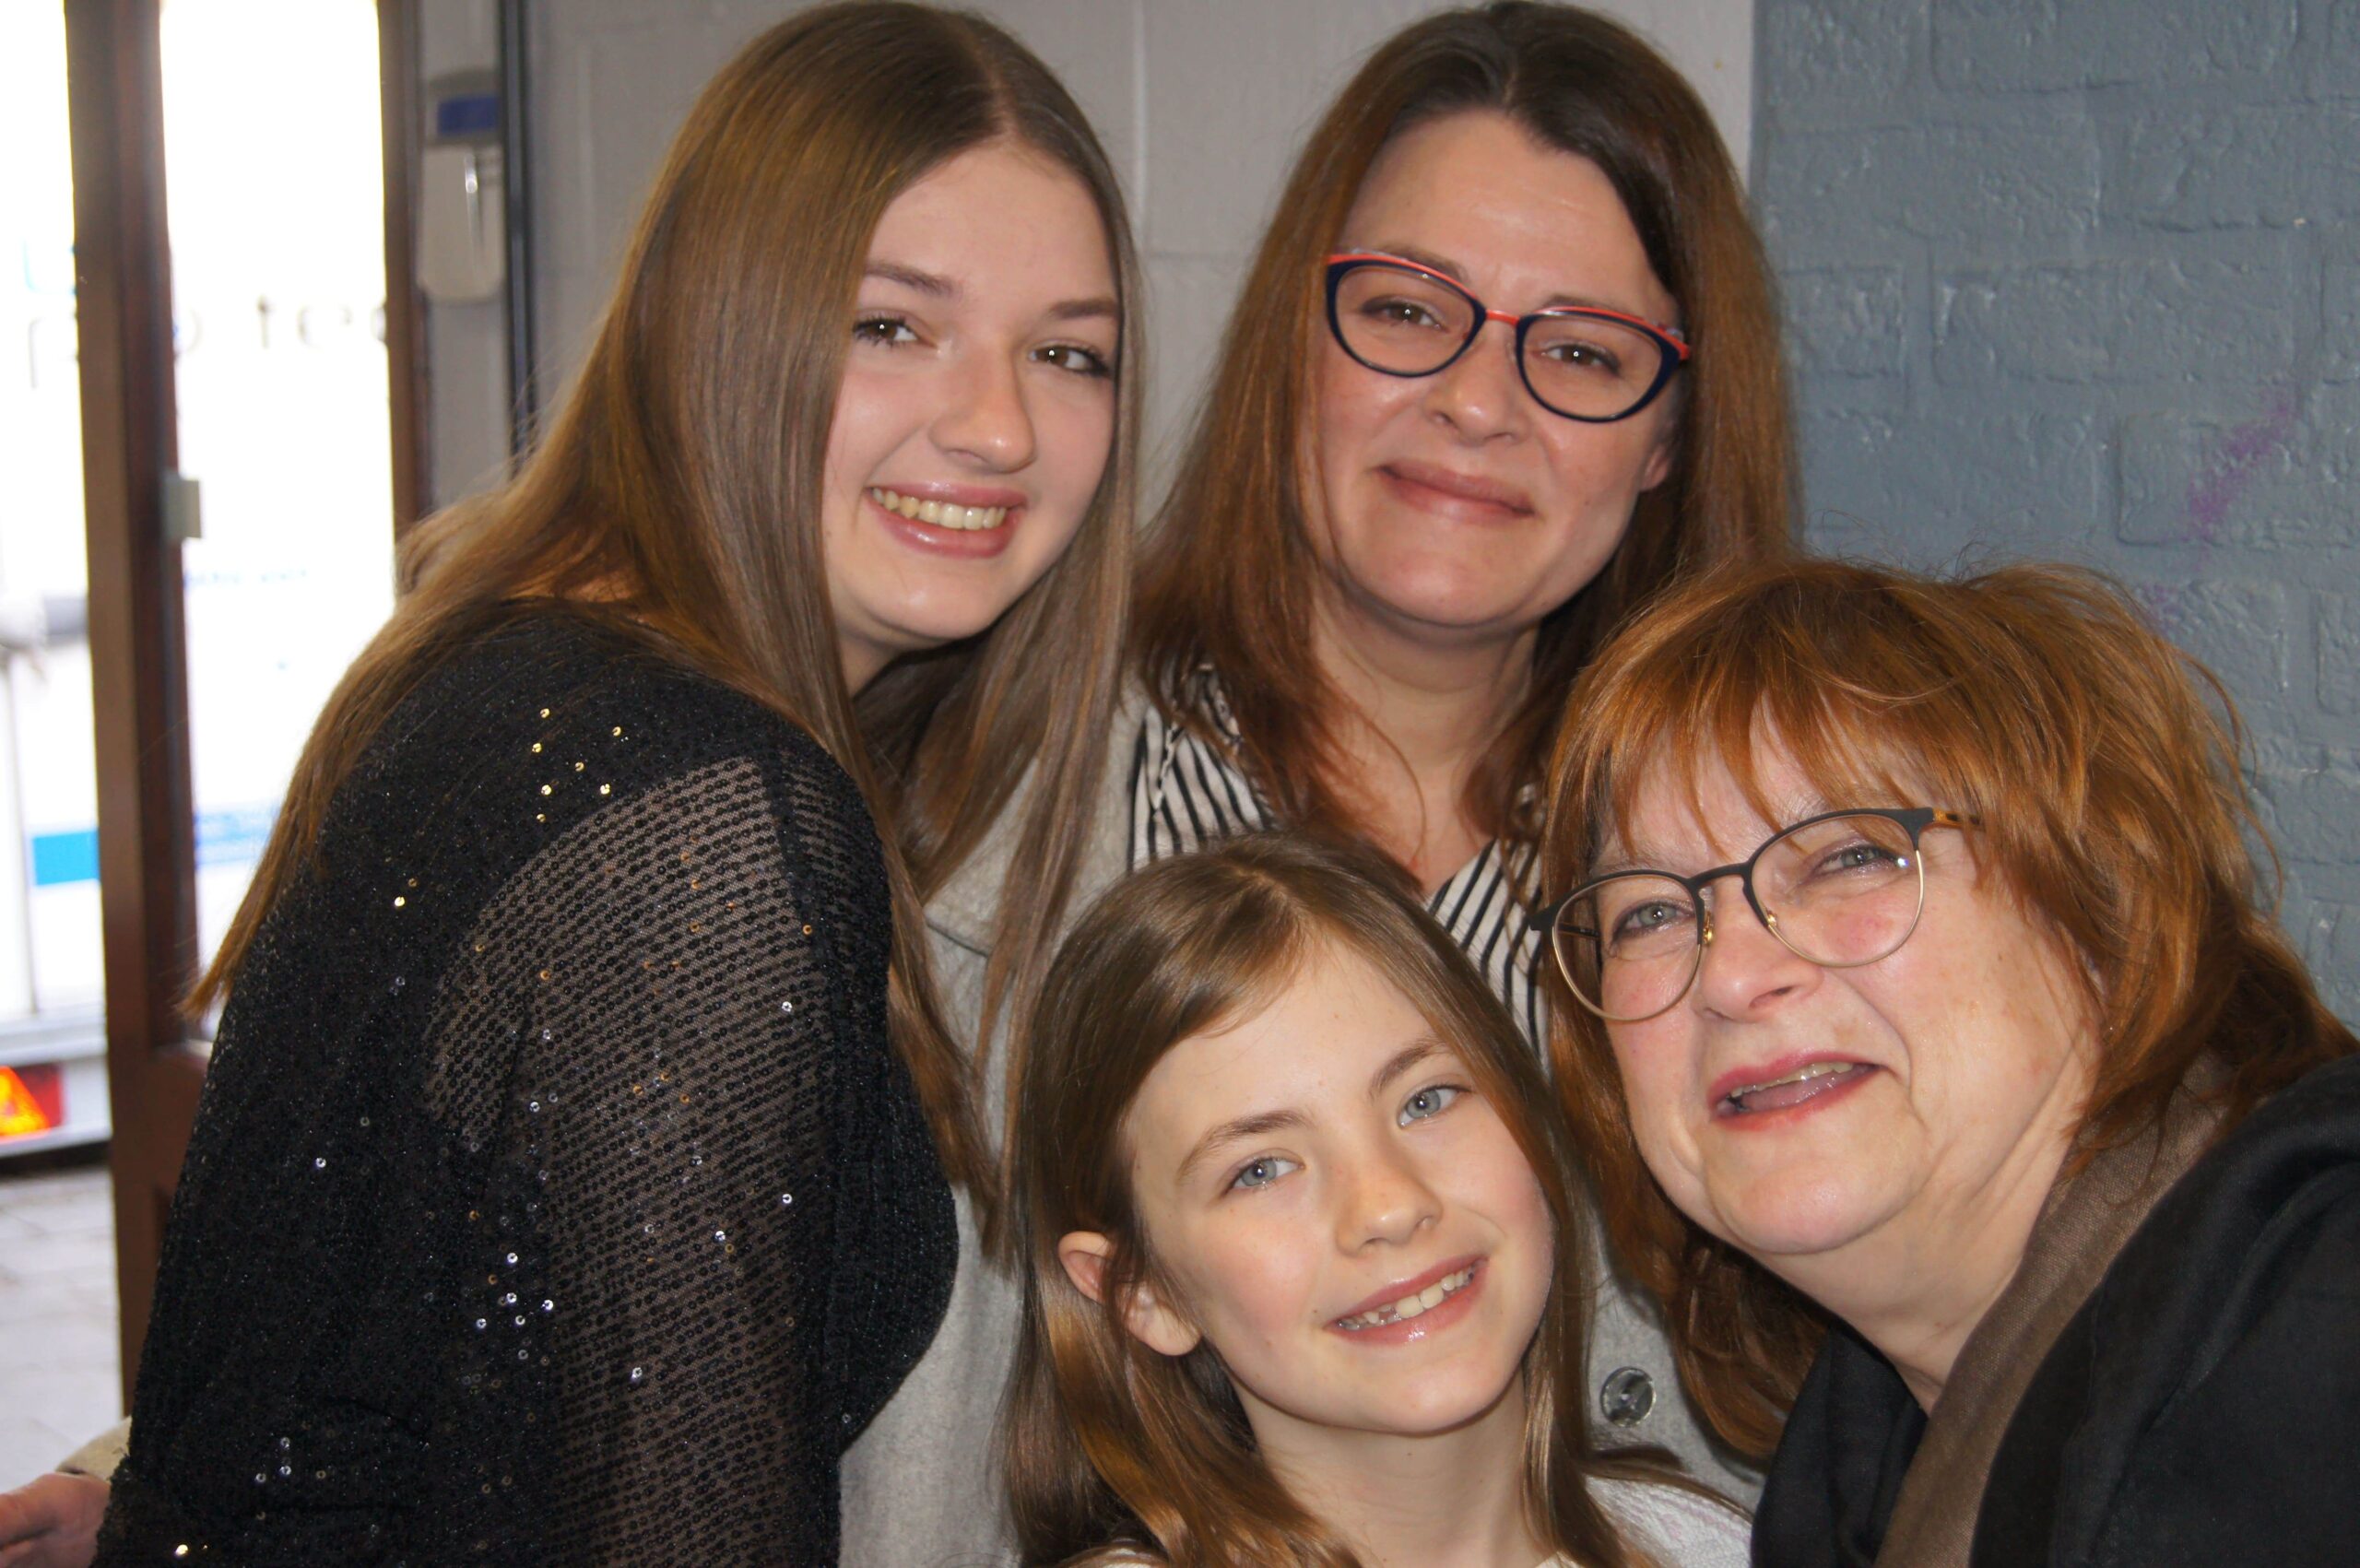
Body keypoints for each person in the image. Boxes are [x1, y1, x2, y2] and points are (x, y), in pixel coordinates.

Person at [4, 6, 1142, 1564]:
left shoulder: (507, 661)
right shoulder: (696, 815)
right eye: (892, 325)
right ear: (715, 325)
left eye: (1068, 353)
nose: (999, 425)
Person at [1093, 0, 1790, 1497]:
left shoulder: (1742, 891)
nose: (1477, 403)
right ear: (1295, 335)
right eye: (1410, 311)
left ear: (1668, 438)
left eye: (1585, 351)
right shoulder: (995, 798)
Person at [1531, 557, 2360, 1565]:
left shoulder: (2320, 1330)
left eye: (1847, 857)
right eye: (1652, 913)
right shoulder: (1847, 1487)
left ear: (2100, 910)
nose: (1732, 975)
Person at [1003, 833, 1749, 1568]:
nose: (1388, 1207)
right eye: (1261, 1170)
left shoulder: (1714, 1543)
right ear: (1141, 1292)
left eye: (1426, 1100)